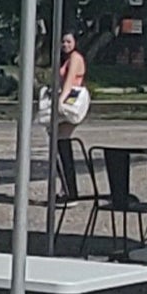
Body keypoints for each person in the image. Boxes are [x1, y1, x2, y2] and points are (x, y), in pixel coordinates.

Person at [51, 30, 90, 194]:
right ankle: (66, 187)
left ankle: (70, 189)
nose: (65, 45)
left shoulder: (75, 58)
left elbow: (69, 81)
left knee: (61, 140)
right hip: (67, 100)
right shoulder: (66, 59)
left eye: (68, 41)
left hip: (72, 101)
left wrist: (60, 100)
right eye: (63, 42)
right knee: (58, 142)